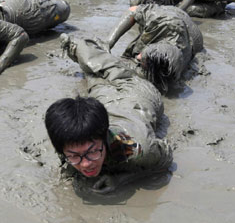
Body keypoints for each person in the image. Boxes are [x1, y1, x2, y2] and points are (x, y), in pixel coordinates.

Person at [45, 36, 173, 193]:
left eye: (92, 152)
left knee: (96, 63)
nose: (85, 164)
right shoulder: (63, 139)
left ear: (105, 140)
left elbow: (165, 159)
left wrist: (121, 179)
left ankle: (73, 43)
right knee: (91, 73)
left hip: (137, 91)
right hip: (105, 98)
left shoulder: (133, 148)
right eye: (74, 156)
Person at [106, 0, 203, 92]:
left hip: (188, 35)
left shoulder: (162, 18)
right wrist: (108, 43)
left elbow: (132, 10)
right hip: (182, 29)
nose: (138, 57)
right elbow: (133, 11)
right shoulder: (161, 16)